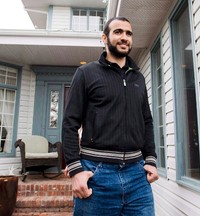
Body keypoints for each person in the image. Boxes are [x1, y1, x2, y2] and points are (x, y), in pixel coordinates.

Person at [62, 16, 159, 216]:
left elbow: (146, 121)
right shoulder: (86, 73)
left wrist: (150, 158)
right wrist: (75, 170)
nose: (124, 37)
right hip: (97, 174)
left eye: (129, 33)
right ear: (104, 38)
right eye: (118, 32)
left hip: (137, 177)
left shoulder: (138, 78)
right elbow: (70, 122)